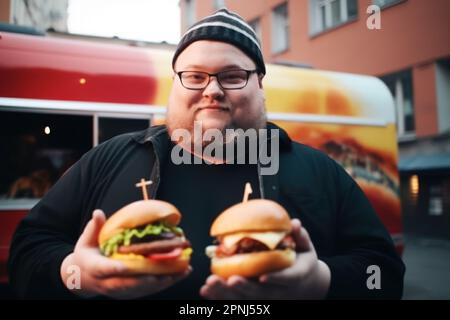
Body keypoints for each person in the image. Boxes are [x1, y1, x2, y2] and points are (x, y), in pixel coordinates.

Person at [8, 8, 405, 300]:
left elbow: (384, 274)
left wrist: (321, 282)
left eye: (233, 76)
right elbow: (26, 250)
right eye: (194, 76)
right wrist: (75, 272)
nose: (212, 90)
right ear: (175, 86)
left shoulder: (321, 172)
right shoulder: (108, 159)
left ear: (260, 86)